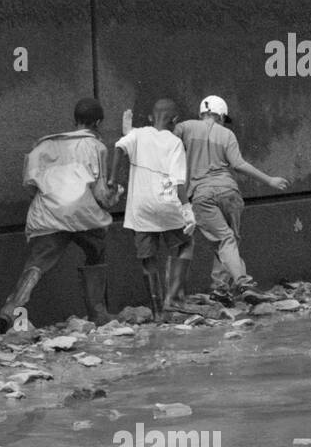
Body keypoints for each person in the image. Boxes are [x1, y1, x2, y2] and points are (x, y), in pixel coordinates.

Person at [0, 97, 114, 334]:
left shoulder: (44, 146)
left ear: (74, 120)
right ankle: (98, 313)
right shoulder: (97, 147)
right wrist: (112, 197)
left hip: (47, 214)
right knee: (96, 252)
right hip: (84, 216)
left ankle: (9, 312)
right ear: (98, 122)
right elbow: (100, 194)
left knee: (36, 265)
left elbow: (29, 185)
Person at [174, 95, 289, 305]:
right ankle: (240, 284)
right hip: (229, 192)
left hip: (201, 195)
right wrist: (269, 180)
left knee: (223, 241)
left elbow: (165, 140)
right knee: (229, 241)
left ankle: (223, 288)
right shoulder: (227, 134)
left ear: (201, 113)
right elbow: (238, 164)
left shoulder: (186, 127)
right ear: (222, 116)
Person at [107, 98, 195, 317]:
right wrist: (187, 211)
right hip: (167, 202)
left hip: (141, 205)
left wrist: (112, 180)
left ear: (149, 117)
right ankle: (172, 299)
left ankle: (156, 312)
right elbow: (178, 183)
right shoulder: (174, 142)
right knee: (186, 243)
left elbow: (119, 148)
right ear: (175, 120)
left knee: (148, 258)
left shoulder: (138, 134)